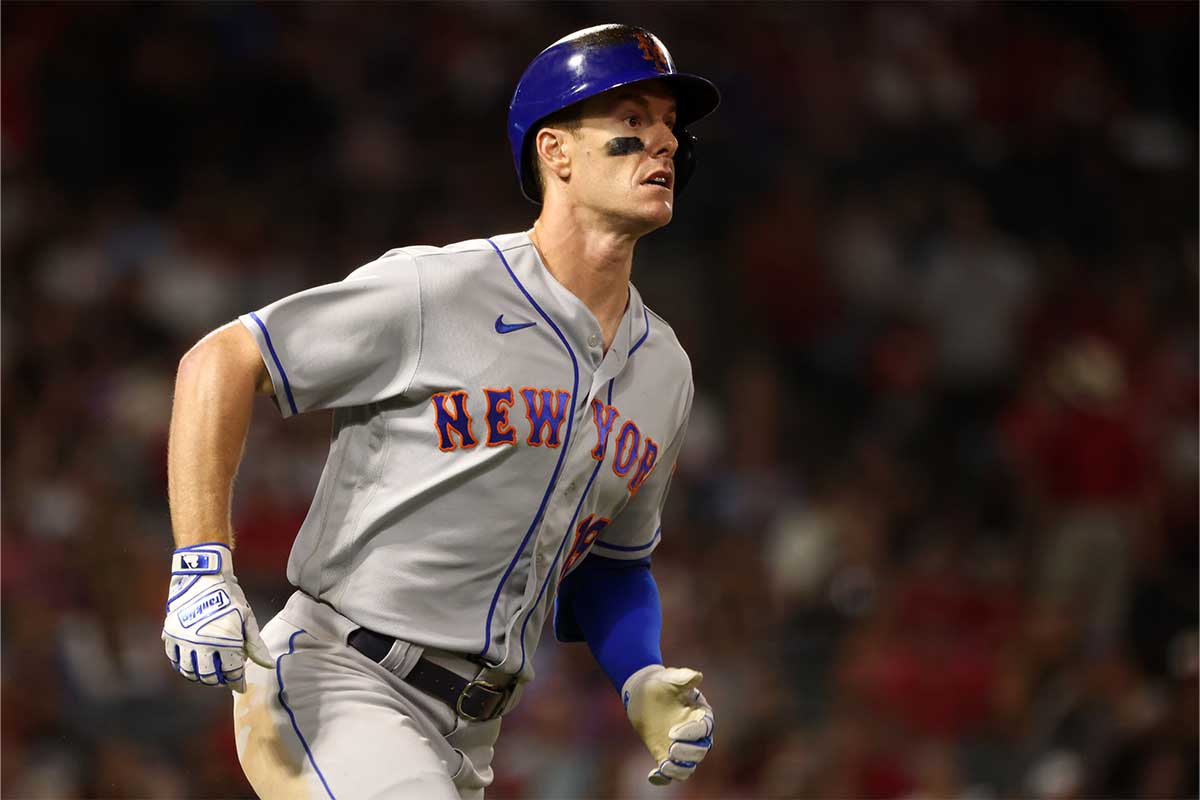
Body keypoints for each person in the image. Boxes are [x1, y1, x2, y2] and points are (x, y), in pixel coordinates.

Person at [161, 23, 719, 799]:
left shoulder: (665, 371)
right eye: (632, 120)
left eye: (670, 126)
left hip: (474, 733)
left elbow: (614, 565)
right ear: (554, 152)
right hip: (338, 677)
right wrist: (200, 564)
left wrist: (639, 671)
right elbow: (220, 359)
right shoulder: (442, 289)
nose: (663, 140)